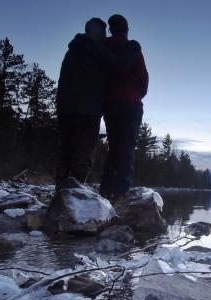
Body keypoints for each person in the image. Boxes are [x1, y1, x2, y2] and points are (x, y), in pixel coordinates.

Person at [55, 18, 137, 190]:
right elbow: (120, 67)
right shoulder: (94, 47)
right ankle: (72, 198)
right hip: (86, 110)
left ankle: (60, 194)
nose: (106, 36)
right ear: (98, 33)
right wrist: (131, 47)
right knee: (83, 155)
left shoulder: (73, 48)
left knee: (66, 153)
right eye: (104, 33)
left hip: (64, 109)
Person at [99, 14, 149, 200]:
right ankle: (122, 193)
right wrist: (136, 94)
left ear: (111, 29)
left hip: (110, 103)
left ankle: (105, 190)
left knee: (114, 146)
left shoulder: (103, 47)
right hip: (130, 103)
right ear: (126, 30)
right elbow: (144, 77)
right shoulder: (132, 47)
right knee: (126, 146)